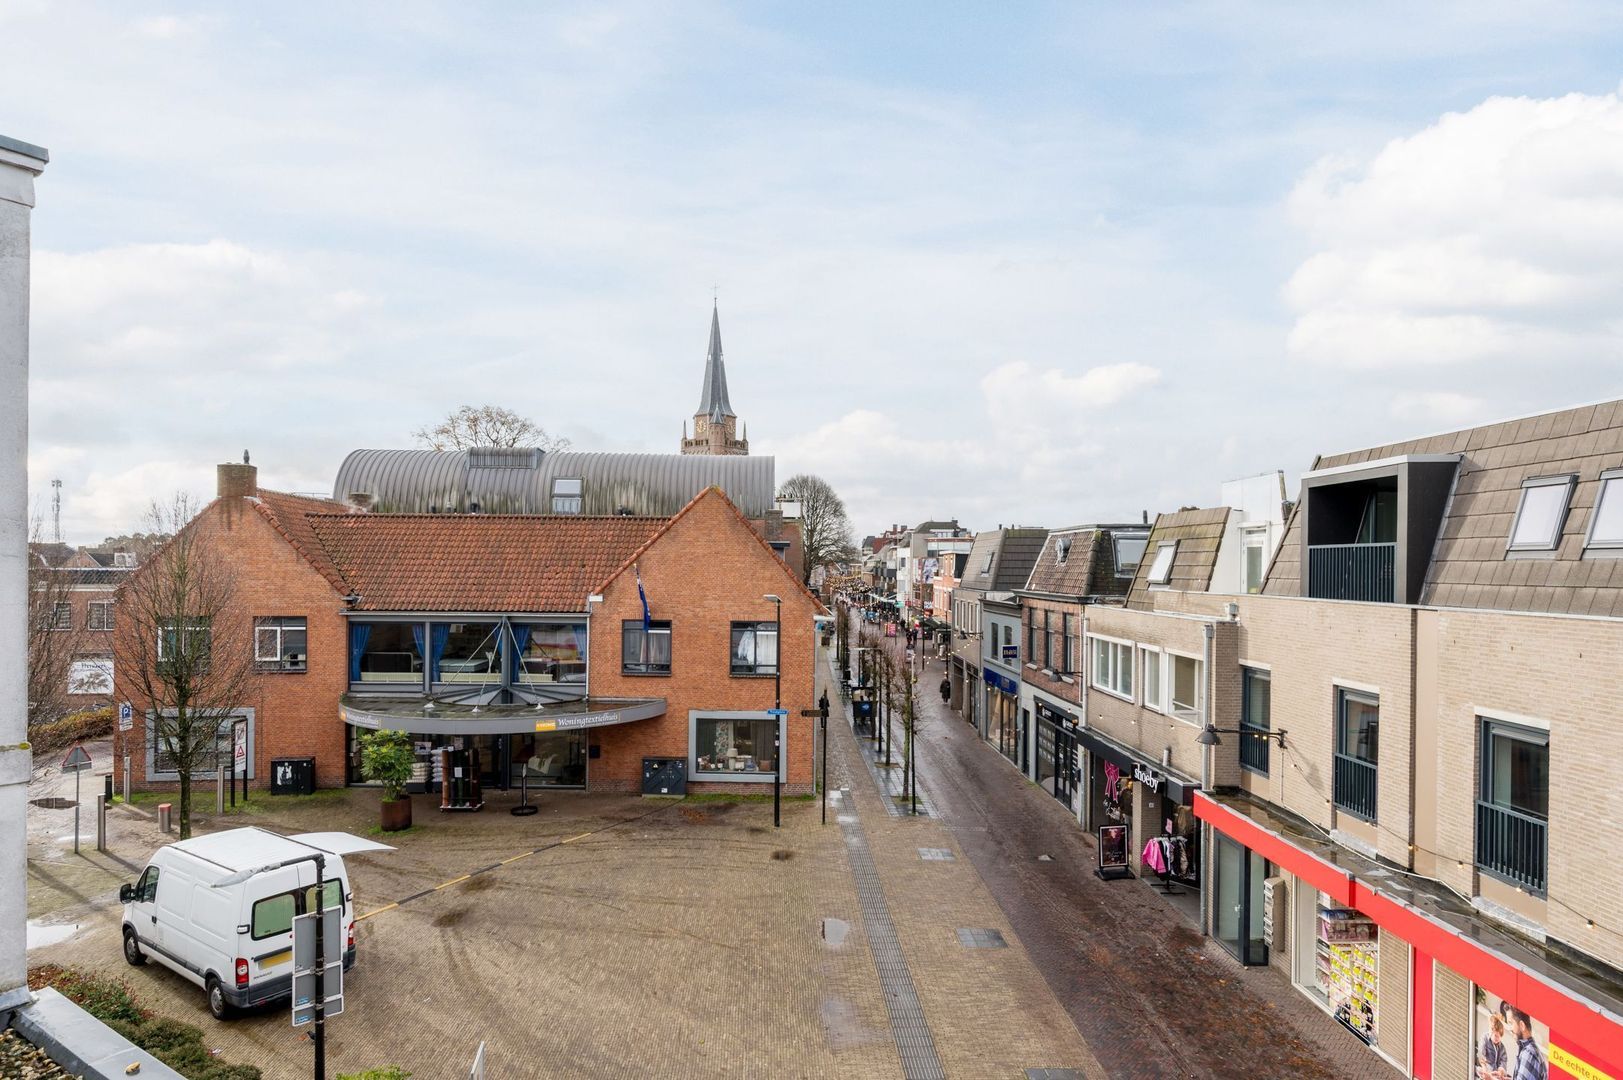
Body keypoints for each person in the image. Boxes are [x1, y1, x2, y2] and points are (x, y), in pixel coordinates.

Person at [1509, 1008, 1546, 1080]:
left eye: (1511, 1023)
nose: (1510, 1028)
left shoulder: (1529, 1053)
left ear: (1522, 1025)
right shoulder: (1529, 1050)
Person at [1476, 1013, 1508, 1079]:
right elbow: (1481, 1054)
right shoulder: (1485, 1038)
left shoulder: (1502, 1047)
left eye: (1500, 1037)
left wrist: (1500, 1071)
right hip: (1485, 1069)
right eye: (1496, 1036)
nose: (1497, 1039)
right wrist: (1485, 1070)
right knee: (1479, 1071)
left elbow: (1503, 1061)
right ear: (1491, 1032)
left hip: (1495, 1073)